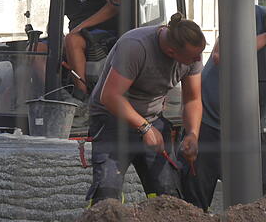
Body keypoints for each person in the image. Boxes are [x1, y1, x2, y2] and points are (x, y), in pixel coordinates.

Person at [180, 0, 266, 211]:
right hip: (209, 122)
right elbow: (221, 56)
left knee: (256, 200)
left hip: (251, 127)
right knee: (194, 198)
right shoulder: (247, 18)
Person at [85, 13, 206, 205]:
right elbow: (109, 96)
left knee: (168, 197)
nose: (199, 59)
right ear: (171, 52)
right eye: (193, 57)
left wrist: (192, 134)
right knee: (107, 197)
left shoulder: (191, 54)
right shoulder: (135, 47)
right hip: (112, 118)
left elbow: (192, 99)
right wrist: (145, 127)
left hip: (152, 118)